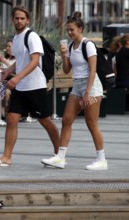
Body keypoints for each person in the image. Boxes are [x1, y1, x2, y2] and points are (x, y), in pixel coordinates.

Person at [0, 6, 60, 167]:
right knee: (12, 118)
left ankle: (59, 153)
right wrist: (8, 71)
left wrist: (17, 77)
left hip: (35, 86)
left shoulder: (32, 36)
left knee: (45, 120)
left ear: (28, 20)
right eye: (16, 18)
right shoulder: (15, 38)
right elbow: (21, 62)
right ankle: (7, 157)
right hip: (21, 87)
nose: (19, 21)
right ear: (12, 20)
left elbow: (35, 61)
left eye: (22, 18)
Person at [41, 12, 107, 170]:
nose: (69, 33)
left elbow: (93, 70)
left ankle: (101, 159)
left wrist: (87, 93)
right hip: (77, 85)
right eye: (68, 30)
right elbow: (66, 69)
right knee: (66, 119)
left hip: (91, 87)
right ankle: (60, 157)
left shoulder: (88, 45)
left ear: (80, 29)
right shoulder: (71, 46)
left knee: (91, 123)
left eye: (72, 30)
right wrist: (64, 55)